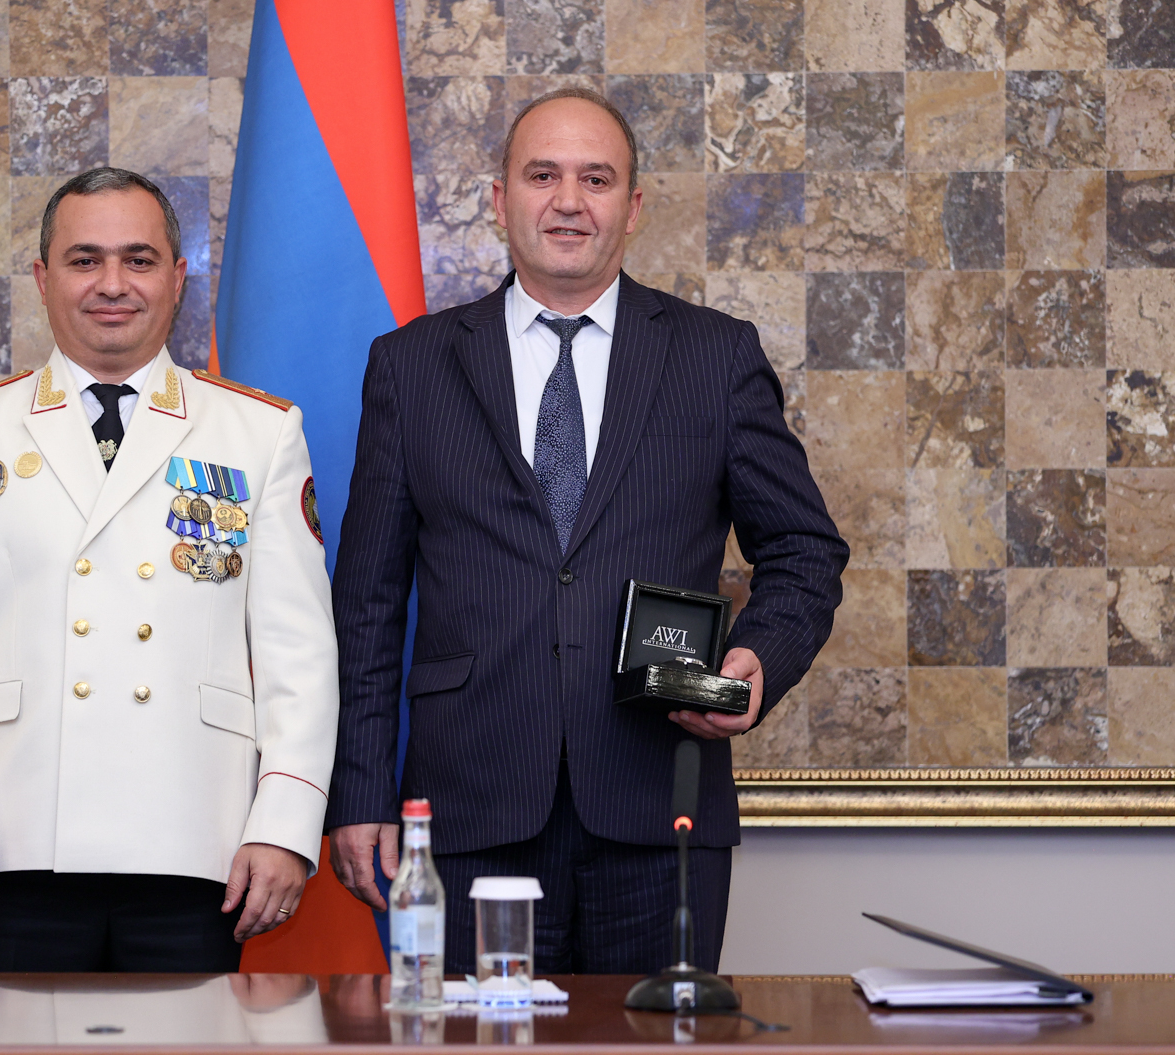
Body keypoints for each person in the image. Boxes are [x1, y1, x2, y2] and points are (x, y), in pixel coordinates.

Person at [324, 89, 849, 975]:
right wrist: (361, 790)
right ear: (500, 200)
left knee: (653, 1040)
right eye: (543, 176)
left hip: (659, 801)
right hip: (469, 806)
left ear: (633, 207)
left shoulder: (715, 356)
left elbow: (805, 550)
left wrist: (760, 659)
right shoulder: (411, 366)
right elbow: (368, 602)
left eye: (596, 179)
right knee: (476, 1042)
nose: (569, 201)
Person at [0, 166, 338, 973]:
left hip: (199, 842)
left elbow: (298, 656)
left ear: (177, 277)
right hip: (10, 841)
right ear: (43, 277)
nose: (113, 284)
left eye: (139, 259)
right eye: (85, 260)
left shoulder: (259, 435)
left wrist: (284, 824)